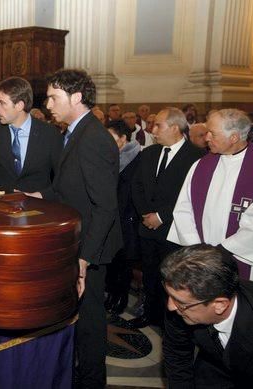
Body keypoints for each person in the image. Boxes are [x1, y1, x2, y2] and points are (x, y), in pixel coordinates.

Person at [38, 69, 122, 388]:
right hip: (80, 242)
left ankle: (91, 381)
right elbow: (68, 187)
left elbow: (105, 206)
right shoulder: (74, 132)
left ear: (76, 97)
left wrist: (84, 260)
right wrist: (39, 195)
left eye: (53, 97)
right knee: (80, 318)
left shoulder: (93, 139)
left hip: (91, 246)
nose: (48, 104)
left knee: (89, 322)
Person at [130, 107, 205, 329]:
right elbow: (137, 185)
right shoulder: (149, 153)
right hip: (147, 227)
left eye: (158, 126)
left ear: (174, 127)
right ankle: (150, 313)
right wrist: (145, 214)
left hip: (173, 229)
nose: (153, 130)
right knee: (151, 274)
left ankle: (170, 321)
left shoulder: (197, 157)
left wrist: (161, 216)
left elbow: (191, 194)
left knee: (174, 277)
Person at [168, 109, 253, 281]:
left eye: (213, 133)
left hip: (241, 257)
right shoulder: (201, 165)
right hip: (200, 257)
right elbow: (183, 208)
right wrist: (197, 248)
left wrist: (223, 250)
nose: (207, 138)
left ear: (234, 138)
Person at [161, 244, 253, 388]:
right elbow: (177, 354)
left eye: (180, 302)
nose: (170, 306)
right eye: (170, 296)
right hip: (213, 369)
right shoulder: (181, 302)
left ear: (220, 304)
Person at [104, 120, 142, 315]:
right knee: (111, 259)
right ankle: (111, 292)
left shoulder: (137, 158)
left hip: (127, 217)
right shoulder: (109, 157)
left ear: (123, 139)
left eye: (110, 138)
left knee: (124, 260)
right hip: (110, 214)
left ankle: (121, 296)